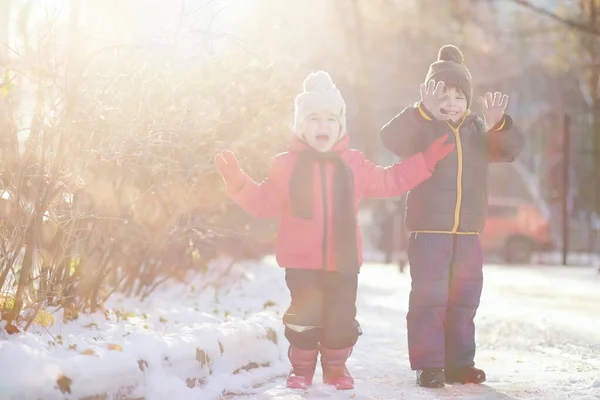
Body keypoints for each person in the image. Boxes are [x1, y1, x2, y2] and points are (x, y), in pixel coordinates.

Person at [214, 70, 454, 390]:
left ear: (340, 125)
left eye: (330, 119)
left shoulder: (352, 163)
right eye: (313, 119)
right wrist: (238, 183)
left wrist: (424, 161)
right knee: (303, 320)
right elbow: (263, 203)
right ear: (301, 126)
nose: (322, 126)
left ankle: (336, 368)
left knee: (340, 320)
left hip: (343, 261)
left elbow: (389, 180)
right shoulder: (286, 165)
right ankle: (301, 369)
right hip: (300, 263)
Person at [380, 45, 524, 388]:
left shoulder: (478, 131)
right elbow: (389, 137)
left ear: (468, 100)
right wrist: (421, 113)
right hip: (429, 231)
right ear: (430, 97)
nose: (450, 102)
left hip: (468, 233)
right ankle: (429, 365)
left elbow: (510, 151)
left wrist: (498, 124)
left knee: (464, 299)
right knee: (430, 298)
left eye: (458, 95)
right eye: (442, 94)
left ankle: (459, 363)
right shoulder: (424, 127)